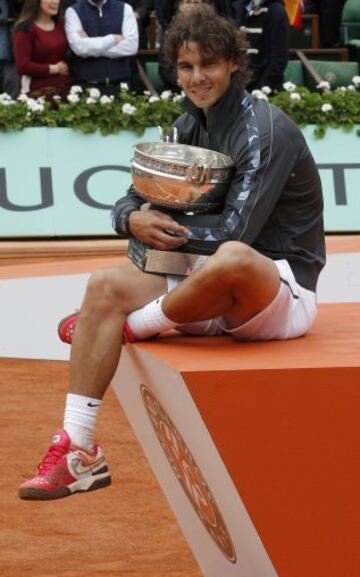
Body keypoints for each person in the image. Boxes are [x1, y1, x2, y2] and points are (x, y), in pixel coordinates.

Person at [18, 5, 325, 500]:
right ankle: (79, 451)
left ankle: (133, 326)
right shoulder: (186, 125)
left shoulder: (265, 130)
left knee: (232, 256)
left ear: (232, 63)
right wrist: (132, 220)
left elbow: (237, 232)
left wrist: (156, 233)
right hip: (202, 287)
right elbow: (134, 197)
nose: (197, 78)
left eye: (208, 64)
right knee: (103, 286)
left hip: (277, 292)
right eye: (186, 67)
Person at [64, 0, 138, 95]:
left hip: (120, 86)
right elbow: (79, 48)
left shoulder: (125, 8)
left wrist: (90, 45)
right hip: (86, 87)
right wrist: (112, 39)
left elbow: (131, 47)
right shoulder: (73, 11)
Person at [13, 0, 70, 97]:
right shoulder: (25, 29)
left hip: (64, 92)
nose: (56, 2)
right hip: (36, 95)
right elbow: (23, 66)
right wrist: (55, 68)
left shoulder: (61, 26)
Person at [238, 0, 290, 92]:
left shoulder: (277, 12)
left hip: (265, 87)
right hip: (241, 86)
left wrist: (261, 89)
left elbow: (278, 59)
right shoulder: (241, 8)